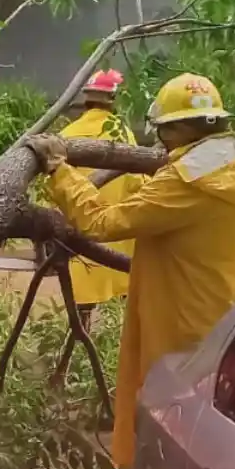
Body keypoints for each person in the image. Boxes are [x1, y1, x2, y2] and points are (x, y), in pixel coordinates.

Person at [27, 73, 235, 469]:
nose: (161, 141)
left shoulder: (184, 183)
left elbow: (102, 221)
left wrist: (59, 169)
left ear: (178, 130)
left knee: (172, 441)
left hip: (183, 339)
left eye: (163, 131)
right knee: (219, 434)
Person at [49, 69, 147, 382]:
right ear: (115, 101)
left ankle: (62, 372)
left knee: (81, 308)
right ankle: (127, 368)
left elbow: (53, 188)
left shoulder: (67, 135)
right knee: (128, 304)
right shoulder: (123, 135)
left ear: (85, 100)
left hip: (80, 236)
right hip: (118, 236)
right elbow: (138, 184)